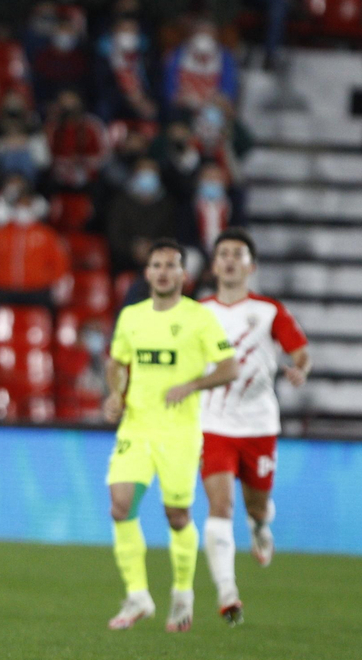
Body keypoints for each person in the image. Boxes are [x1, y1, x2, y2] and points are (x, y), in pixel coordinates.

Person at [103, 238, 238, 632]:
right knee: (120, 505)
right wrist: (115, 393)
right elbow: (117, 362)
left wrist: (193, 385)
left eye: (171, 265)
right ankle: (137, 595)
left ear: (184, 274)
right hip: (137, 427)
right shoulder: (132, 317)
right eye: (157, 265)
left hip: (179, 433)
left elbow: (229, 368)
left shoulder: (199, 318)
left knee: (177, 515)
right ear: (147, 274)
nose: (163, 272)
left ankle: (182, 594)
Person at [198, 229, 311, 624]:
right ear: (214, 265)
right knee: (220, 504)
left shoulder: (269, 311)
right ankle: (227, 592)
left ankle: (261, 527)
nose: (230, 260)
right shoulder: (198, 312)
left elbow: (300, 350)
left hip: (260, 423)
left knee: (255, 505)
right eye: (223, 254)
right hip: (213, 422)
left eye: (238, 254)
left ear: (251, 266)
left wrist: (300, 369)